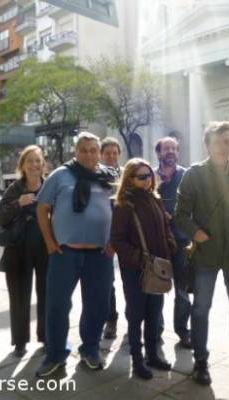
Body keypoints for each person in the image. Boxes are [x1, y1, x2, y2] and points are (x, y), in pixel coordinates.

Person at [174, 121, 229, 385]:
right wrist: (195, 232)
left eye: (226, 141)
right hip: (205, 256)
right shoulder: (193, 175)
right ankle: (201, 360)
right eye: (216, 142)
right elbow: (180, 215)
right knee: (201, 309)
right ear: (207, 145)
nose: (222, 146)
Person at [35, 132, 116, 377]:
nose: (89, 154)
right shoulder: (60, 175)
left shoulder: (109, 177)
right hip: (65, 253)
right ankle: (56, 354)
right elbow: (42, 208)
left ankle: (90, 349)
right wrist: (50, 243)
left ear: (99, 153)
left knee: (98, 305)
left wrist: (113, 242)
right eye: (84, 150)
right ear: (76, 152)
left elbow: (120, 210)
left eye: (93, 150)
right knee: (57, 305)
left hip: (100, 255)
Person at [110, 158, 177, 380]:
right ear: (130, 179)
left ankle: (152, 354)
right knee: (136, 315)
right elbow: (117, 240)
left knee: (154, 314)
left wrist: (170, 245)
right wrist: (139, 258)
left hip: (158, 268)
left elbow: (165, 227)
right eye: (142, 177)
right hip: (136, 270)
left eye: (149, 176)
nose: (147, 180)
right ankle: (137, 360)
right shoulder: (124, 205)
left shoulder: (155, 199)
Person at [0, 145, 48, 357]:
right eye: (30, 161)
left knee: (46, 295)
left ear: (43, 164)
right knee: (18, 297)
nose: (34, 164)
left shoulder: (49, 186)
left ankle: (45, 337)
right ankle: (20, 341)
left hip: (46, 249)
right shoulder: (15, 188)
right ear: (22, 166)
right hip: (18, 251)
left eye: (38, 160)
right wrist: (18, 203)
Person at [155, 136, 191, 349]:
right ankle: (155, 330)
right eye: (166, 149)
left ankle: (182, 331)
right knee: (156, 288)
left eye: (174, 149)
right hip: (157, 242)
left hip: (181, 241)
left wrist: (174, 215)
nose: (170, 152)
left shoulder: (186, 176)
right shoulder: (149, 175)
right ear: (158, 153)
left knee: (182, 291)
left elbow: (195, 205)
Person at [100, 137, 122, 340]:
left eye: (115, 153)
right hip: (104, 237)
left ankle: (135, 319)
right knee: (108, 282)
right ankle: (110, 320)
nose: (112, 156)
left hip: (126, 235)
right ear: (101, 155)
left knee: (133, 280)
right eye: (108, 153)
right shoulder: (96, 176)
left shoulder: (126, 175)